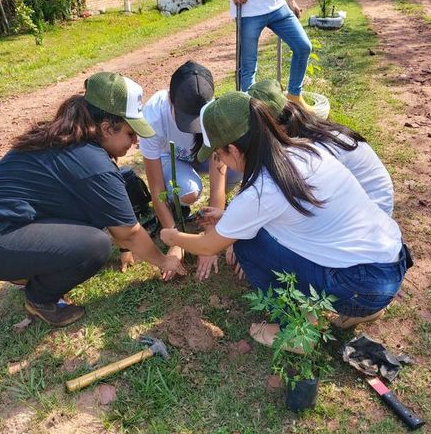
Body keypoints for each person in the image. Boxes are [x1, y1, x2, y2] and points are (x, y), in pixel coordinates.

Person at [160, 92, 411, 349]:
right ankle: (362, 309)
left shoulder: (261, 190)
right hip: (390, 264)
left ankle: (297, 331)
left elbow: (208, 246)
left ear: (234, 149)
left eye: (220, 155)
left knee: (248, 245)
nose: (221, 161)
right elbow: (288, 216)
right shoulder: (303, 149)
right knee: (254, 233)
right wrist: (229, 218)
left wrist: (172, 237)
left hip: (364, 285)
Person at [0, 72, 186, 327]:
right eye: (130, 133)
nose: (135, 141)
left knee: (96, 215)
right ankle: (39, 298)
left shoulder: (67, 136)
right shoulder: (92, 163)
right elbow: (127, 233)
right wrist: (163, 260)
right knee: (95, 244)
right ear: (106, 128)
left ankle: (27, 269)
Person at [141, 60, 241, 280]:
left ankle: (216, 215)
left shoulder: (215, 115)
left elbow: (217, 184)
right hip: (172, 158)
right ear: (170, 99)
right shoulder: (153, 117)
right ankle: (174, 212)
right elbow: (156, 188)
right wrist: (175, 241)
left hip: (200, 157)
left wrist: (210, 239)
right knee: (188, 192)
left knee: (236, 169)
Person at [248, 79, 394, 215]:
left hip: (370, 214)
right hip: (365, 206)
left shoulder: (312, 151)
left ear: (280, 128)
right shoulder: (312, 130)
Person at [228, 0, 312, 109]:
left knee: (303, 47)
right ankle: (252, 109)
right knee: (248, 67)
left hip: (277, 6)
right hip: (249, 10)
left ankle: (294, 96)